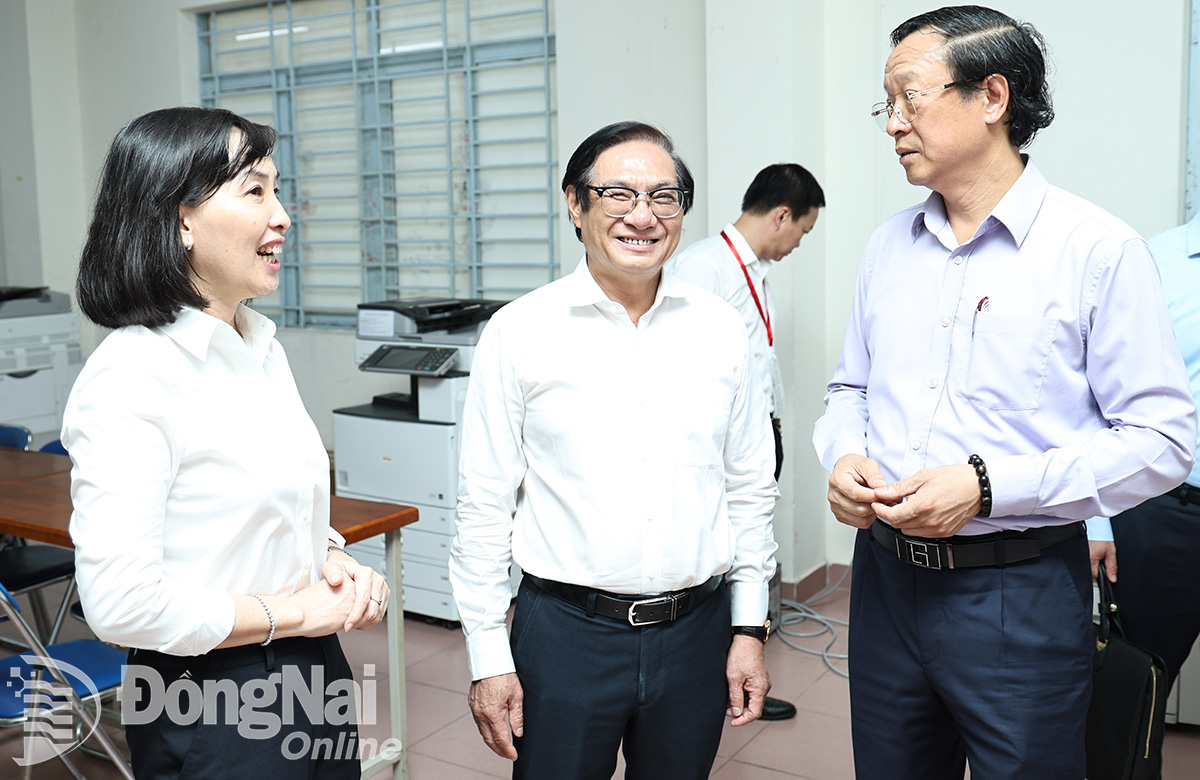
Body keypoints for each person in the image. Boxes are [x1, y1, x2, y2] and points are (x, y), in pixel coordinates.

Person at [812, 7, 1196, 780]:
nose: (893, 123)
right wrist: (844, 454)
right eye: (886, 102)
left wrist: (988, 488)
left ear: (992, 96)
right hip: (884, 583)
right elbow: (849, 386)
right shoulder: (887, 248)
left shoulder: (1097, 251)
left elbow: (1161, 442)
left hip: (1015, 590)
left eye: (910, 96)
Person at [65, 106, 390, 779]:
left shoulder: (259, 346)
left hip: (311, 662)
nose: (282, 216)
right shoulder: (134, 374)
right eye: (255, 191)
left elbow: (258, 507)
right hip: (208, 692)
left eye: (277, 191)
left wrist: (329, 559)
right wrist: (292, 610)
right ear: (182, 219)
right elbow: (121, 604)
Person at [449, 121, 780, 780]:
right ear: (576, 203)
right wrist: (489, 657)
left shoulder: (719, 328)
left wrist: (749, 629)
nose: (643, 216)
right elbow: (483, 505)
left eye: (664, 197)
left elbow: (749, 487)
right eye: (618, 194)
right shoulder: (520, 332)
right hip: (566, 635)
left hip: (696, 632)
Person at [668, 162, 824, 722]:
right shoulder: (704, 267)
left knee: (750, 549)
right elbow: (680, 368)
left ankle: (739, 671)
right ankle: (713, 682)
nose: (799, 242)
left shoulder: (753, 271)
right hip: (720, 448)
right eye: (803, 229)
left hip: (758, 433)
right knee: (722, 558)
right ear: (782, 215)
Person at [1089, 210, 1200, 696]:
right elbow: (1095, 397)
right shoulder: (1151, 261)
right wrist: (1095, 521)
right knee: (1135, 691)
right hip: (1166, 516)